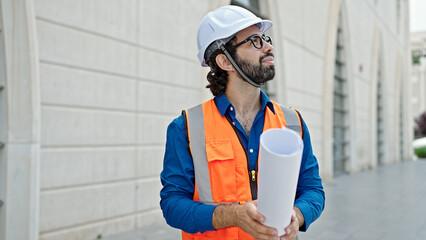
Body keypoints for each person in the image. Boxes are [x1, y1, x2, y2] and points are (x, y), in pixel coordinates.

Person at [160, 5, 324, 240]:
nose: (269, 47)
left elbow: (313, 190)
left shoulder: (292, 122)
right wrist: (234, 215)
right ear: (225, 62)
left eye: (265, 38)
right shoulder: (186, 127)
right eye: (254, 41)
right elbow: (172, 206)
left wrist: (297, 216)